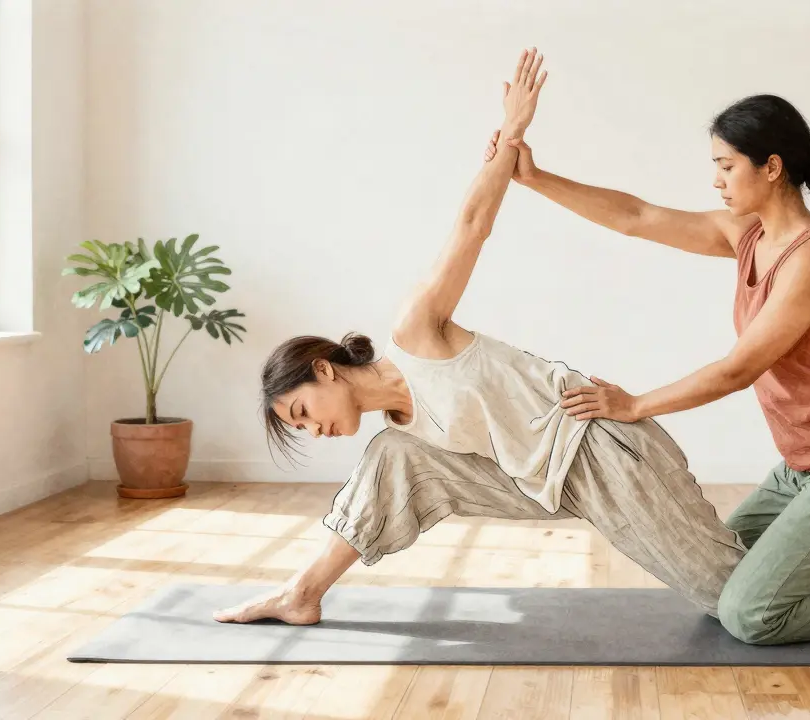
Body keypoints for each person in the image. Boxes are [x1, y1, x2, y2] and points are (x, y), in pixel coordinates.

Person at [213, 48, 750, 626]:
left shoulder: (415, 334)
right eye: (302, 428)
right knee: (393, 454)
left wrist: (512, 133)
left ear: (323, 369)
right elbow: (408, 463)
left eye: (301, 412)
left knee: (727, 595)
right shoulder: (402, 434)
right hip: (540, 482)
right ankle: (303, 591)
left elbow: (472, 227)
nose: (314, 430)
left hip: (596, 449)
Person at [482, 92, 810, 644]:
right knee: (715, 577)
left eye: (726, 166)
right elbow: (636, 217)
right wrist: (535, 178)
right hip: (804, 465)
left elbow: (738, 370)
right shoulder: (749, 235)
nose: (717, 181)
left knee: (750, 614)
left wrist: (634, 405)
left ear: (771, 167)